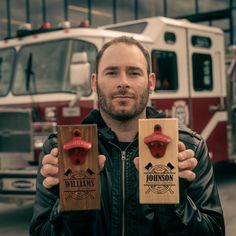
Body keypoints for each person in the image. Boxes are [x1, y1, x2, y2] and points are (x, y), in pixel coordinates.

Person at [30, 36, 225, 236]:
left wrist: (175, 202)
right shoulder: (58, 150)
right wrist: (69, 204)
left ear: (150, 82)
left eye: (133, 73)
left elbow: (215, 231)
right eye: (112, 72)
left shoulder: (189, 147)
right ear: (95, 82)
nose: (123, 82)